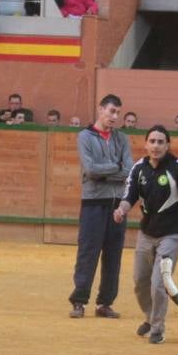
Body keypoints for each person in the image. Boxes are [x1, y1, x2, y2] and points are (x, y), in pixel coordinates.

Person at [113, 125, 178, 345]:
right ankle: (149, 316)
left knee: (158, 282)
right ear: (145, 144)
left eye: (160, 142)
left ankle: (157, 329)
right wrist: (122, 209)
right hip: (146, 233)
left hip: (171, 234)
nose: (156, 146)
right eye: (152, 141)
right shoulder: (138, 169)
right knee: (139, 281)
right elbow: (129, 196)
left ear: (167, 145)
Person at [70, 94, 132, 319]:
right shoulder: (84, 137)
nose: (114, 116)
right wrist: (116, 168)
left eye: (118, 112)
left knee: (113, 254)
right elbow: (91, 170)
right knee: (88, 252)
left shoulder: (122, 139)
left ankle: (105, 302)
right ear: (100, 110)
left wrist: (106, 173)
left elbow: (129, 171)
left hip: (117, 204)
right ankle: (79, 300)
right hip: (93, 204)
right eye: (111, 111)